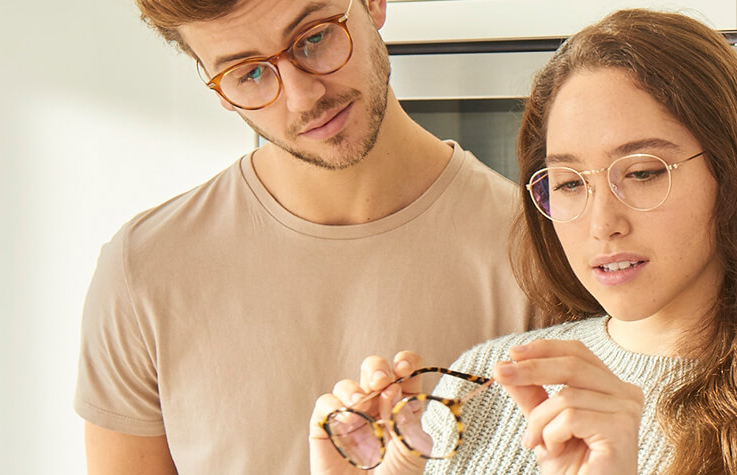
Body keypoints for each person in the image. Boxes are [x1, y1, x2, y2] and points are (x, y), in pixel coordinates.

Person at [308, 8, 737, 475]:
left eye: (643, 172)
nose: (601, 224)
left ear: (734, 174)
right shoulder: (483, 379)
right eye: (568, 183)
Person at [74, 0, 532, 473]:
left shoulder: (541, 253)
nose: (302, 96)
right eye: (248, 73)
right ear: (218, 89)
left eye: (314, 38)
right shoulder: (142, 271)